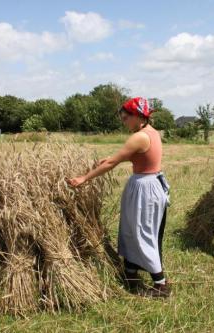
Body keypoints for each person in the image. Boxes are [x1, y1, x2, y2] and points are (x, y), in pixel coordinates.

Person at [66, 97, 171, 298]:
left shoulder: (139, 137)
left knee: (142, 233)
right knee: (131, 230)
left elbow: (111, 164)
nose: (123, 122)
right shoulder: (150, 132)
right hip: (149, 185)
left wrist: (83, 179)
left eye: (125, 118)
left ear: (137, 116)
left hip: (145, 188)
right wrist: (114, 158)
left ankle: (161, 286)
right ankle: (130, 274)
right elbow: (135, 156)